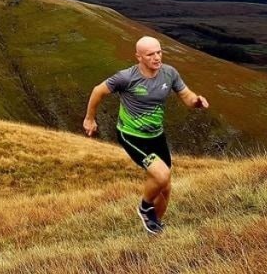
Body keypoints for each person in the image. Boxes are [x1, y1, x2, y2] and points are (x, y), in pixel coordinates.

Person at [83, 35, 209, 235]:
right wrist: (90, 119)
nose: (157, 57)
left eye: (159, 52)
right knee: (161, 175)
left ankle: (155, 228)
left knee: (165, 187)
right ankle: (144, 207)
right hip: (131, 135)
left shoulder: (169, 74)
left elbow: (186, 96)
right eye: (150, 54)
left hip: (156, 136)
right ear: (138, 57)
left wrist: (196, 102)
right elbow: (98, 91)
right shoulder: (126, 78)